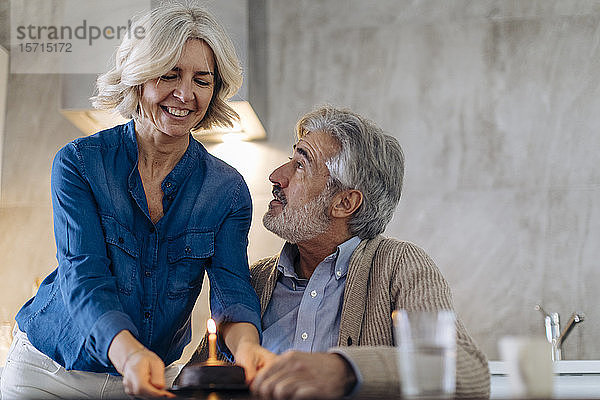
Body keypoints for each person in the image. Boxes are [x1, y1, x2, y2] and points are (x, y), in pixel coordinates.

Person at [0, 3, 273, 399]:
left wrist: (248, 350)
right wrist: (128, 356)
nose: (186, 94)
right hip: (49, 372)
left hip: (151, 375)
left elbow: (232, 292)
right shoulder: (79, 163)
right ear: (139, 77)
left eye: (202, 80)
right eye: (170, 74)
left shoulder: (227, 190)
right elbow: (85, 277)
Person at [187, 105, 490, 399]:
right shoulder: (256, 280)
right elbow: (193, 381)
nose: (277, 176)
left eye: (300, 164)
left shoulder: (400, 266)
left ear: (345, 203)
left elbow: (468, 372)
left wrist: (343, 370)